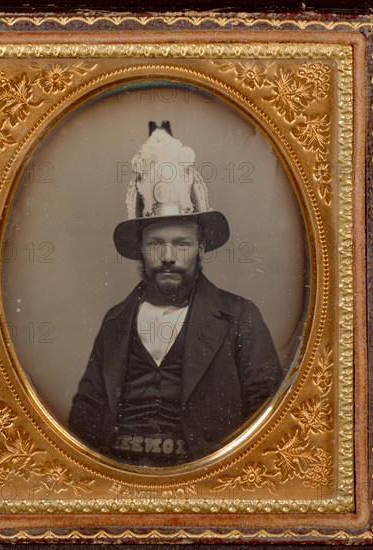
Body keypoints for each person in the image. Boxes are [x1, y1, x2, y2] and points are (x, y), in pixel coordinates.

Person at [68, 122, 282, 466]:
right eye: (156, 243)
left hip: (204, 482)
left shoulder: (240, 317)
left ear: (200, 247)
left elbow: (268, 413)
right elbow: (86, 412)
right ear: (140, 249)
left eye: (181, 243)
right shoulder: (115, 321)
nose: (168, 256)